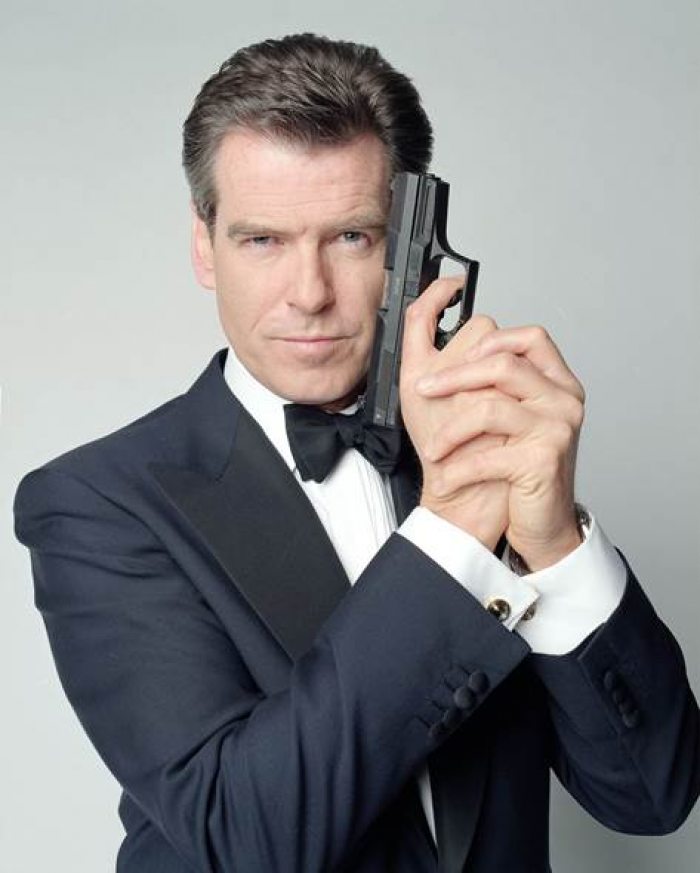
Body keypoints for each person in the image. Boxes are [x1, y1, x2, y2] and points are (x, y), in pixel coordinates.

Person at [14, 33, 699, 873]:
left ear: (412, 247)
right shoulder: (93, 504)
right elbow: (246, 838)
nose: (309, 293)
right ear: (204, 245)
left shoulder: (488, 452)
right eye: (263, 241)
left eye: (351, 237)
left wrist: (556, 543)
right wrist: (452, 528)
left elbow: (653, 796)